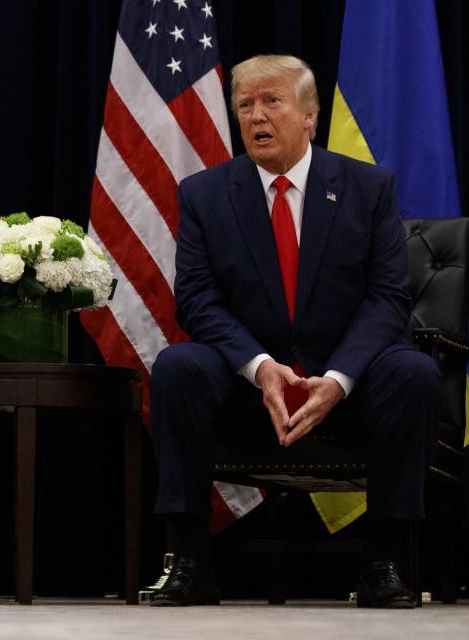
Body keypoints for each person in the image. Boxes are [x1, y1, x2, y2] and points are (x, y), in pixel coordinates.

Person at [148, 55, 440, 609]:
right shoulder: (204, 194)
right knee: (178, 368)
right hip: (247, 388)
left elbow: (387, 297)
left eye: (271, 101)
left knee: (413, 373)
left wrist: (337, 378)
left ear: (309, 115)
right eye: (245, 105)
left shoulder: (368, 187)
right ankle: (190, 560)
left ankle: (382, 562)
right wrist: (260, 369)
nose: (256, 115)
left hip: (345, 385)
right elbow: (197, 300)